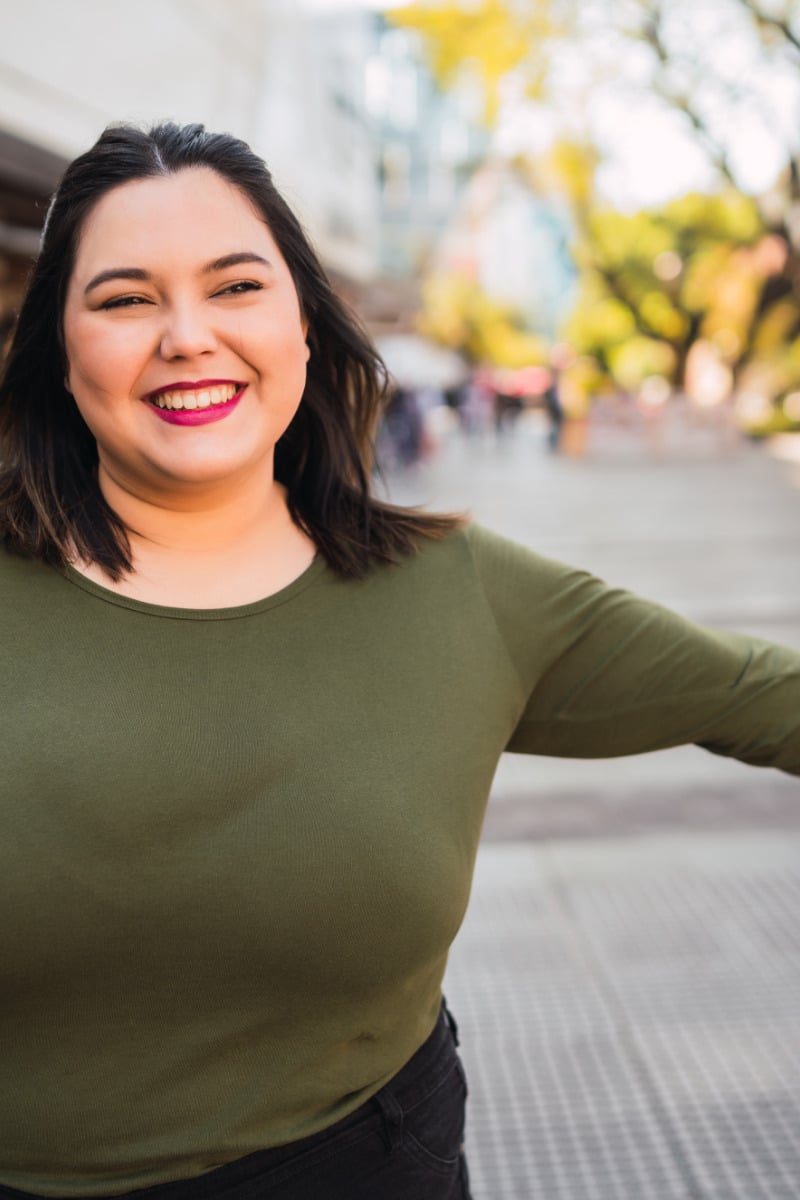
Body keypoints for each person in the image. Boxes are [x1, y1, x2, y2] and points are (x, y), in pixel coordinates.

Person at [0, 122, 798, 1200]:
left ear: (304, 327)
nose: (186, 335)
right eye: (126, 298)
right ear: (56, 345)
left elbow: (765, 697)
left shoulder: (459, 592)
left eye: (235, 286)